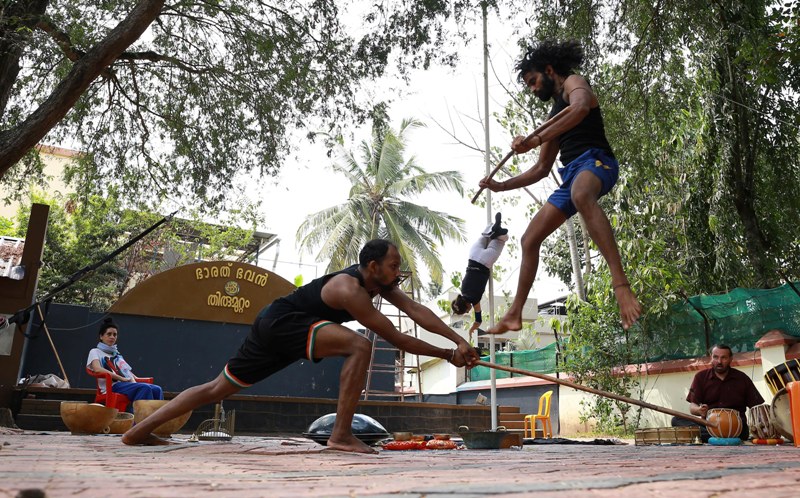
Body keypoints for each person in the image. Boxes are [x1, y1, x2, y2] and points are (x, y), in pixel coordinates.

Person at [122, 239, 479, 452]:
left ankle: (137, 433)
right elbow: (396, 336)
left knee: (216, 389)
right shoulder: (349, 289)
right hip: (283, 323)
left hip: (279, 328)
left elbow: (417, 311)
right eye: (394, 265)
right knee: (360, 345)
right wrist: (448, 354)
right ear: (373, 266)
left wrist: (458, 340)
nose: (398, 272)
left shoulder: (379, 283)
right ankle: (340, 436)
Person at [478, 39, 641, 333]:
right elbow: (541, 169)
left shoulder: (574, 82)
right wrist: (501, 185)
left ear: (549, 70)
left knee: (581, 195)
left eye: (533, 81)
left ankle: (621, 284)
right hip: (572, 176)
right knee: (529, 239)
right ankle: (514, 313)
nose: (532, 88)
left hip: (596, 162)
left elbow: (579, 108)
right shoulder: (553, 117)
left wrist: (536, 138)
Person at [671, 344, 765, 442]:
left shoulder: (742, 378)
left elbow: (757, 407)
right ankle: (720, 437)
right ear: (711, 358)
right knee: (676, 420)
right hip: (709, 425)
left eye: (724, 358)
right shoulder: (701, 377)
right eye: (715, 357)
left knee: (742, 430)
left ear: (730, 359)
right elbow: (692, 407)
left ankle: (713, 438)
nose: (719, 362)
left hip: (736, 427)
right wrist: (699, 410)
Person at [451, 212, 509, 339]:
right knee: (486, 233)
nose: (469, 311)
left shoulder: (474, 299)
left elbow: (478, 320)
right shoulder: (463, 289)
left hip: (485, 261)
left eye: (466, 310)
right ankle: (493, 229)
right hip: (473, 255)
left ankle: (498, 232)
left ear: (466, 305)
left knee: (503, 238)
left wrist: (472, 329)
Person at [87, 318, 164, 408]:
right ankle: (141, 420)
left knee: (157, 389)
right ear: (101, 336)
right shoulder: (95, 351)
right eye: (109, 334)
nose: (112, 337)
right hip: (112, 386)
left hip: (125, 384)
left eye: (114, 335)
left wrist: (135, 379)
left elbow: (125, 371)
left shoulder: (116, 354)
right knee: (144, 388)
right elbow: (97, 369)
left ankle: (158, 419)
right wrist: (121, 378)